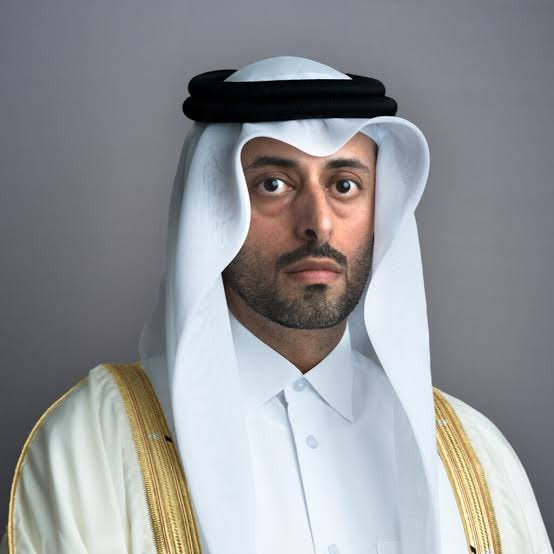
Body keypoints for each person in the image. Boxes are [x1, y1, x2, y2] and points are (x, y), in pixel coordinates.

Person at [1, 56, 551, 554]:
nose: (318, 222)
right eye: (273, 184)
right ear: (214, 208)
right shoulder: (95, 443)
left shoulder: (472, 455)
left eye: (344, 185)